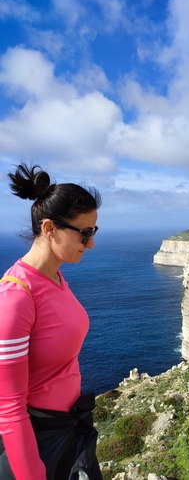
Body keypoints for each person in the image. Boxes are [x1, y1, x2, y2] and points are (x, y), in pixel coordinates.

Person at [0, 163, 103, 479]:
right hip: (40, 442)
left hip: (70, 428)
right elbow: (10, 409)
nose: (91, 244)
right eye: (85, 233)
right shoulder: (16, 297)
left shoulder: (55, 278)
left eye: (93, 232)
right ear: (49, 228)